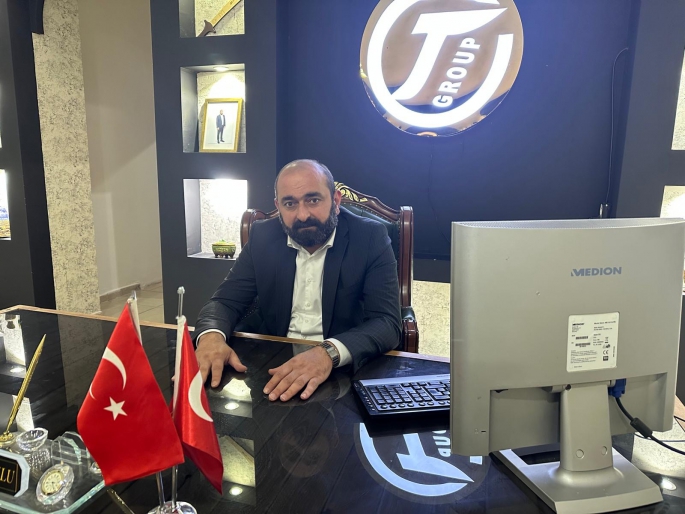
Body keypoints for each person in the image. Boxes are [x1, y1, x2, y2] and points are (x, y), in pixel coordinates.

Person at [193, 159, 401, 401]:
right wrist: (211, 336)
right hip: (273, 363)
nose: (302, 215)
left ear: (335, 201)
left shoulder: (370, 237)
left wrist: (329, 352)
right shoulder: (263, 236)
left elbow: (386, 322)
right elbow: (225, 301)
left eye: (313, 200)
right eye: (290, 203)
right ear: (278, 206)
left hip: (343, 370)